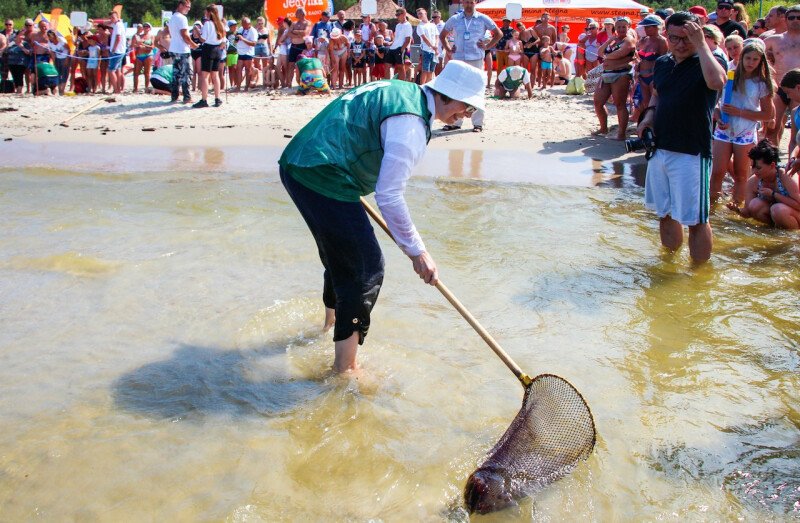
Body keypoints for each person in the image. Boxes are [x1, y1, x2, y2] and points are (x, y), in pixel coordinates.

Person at [278, 60, 485, 373]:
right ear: (446, 94)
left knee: (341, 258)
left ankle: (328, 328)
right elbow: (389, 195)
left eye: (470, 111)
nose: (465, 115)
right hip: (322, 174)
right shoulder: (412, 125)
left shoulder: (403, 91)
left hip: (299, 162)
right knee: (365, 269)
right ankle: (344, 370)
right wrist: (418, 252)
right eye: (465, 107)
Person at [638, 11, 727, 263]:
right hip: (660, 147)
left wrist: (700, 44)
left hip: (692, 151)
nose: (680, 44)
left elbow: (717, 82)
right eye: (675, 38)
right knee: (665, 213)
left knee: (696, 219)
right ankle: (668, 265)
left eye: (687, 38)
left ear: (698, 34)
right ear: (667, 35)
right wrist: (648, 116)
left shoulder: (709, 59)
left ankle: (699, 277)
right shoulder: (664, 62)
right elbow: (657, 93)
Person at [711, 42, 775, 203]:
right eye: (748, 58)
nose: (750, 62)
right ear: (741, 58)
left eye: (755, 59)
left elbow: (768, 114)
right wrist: (718, 118)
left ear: (761, 61)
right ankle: (711, 207)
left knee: (741, 174)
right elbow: (714, 104)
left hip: (745, 132)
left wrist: (739, 112)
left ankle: (737, 206)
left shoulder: (762, 84)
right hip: (724, 130)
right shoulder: (729, 76)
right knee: (717, 171)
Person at [439, 0, 501, 132]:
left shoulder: (483, 18)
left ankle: (478, 123)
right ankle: (455, 121)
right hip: (459, 59)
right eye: (466, 2)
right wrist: (449, 50)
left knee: (476, 90)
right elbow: (442, 35)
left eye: (471, 2)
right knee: (455, 90)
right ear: (462, 3)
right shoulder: (455, 19)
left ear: (475, 3)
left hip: (476, 58)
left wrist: (487, 47)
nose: (468, 5)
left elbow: (498, 34)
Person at [727, 139, 800, 228]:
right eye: (752, 167)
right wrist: (737, 210)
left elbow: (798, 205)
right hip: (778, 213)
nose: (754, 171)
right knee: (755, 205)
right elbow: (748, 212)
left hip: (794, 213)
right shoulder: (753, 181)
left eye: (758, 168)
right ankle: (773, 232)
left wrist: (773, 194)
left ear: (772, 165)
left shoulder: (786, 175)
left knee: (778, 210)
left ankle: (792, 236)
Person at [593, 17, 636, 140]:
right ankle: (603, 128)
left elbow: (619, 54)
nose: (621, 29)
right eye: (618, 27)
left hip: (621, 74)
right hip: (607, 72)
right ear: (614, 28)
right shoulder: (613, 40)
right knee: (598, 101)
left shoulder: (629, 40)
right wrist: (608, 41)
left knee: (619, 104)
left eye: (624, 26)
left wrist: (606, 57)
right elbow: (600, 52)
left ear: (628, 27)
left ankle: (621, 133)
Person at [765, 5, 800, 147]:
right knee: (771, 128)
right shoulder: (774, 40)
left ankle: (794, 162)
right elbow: (751, 51)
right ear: (785, 19)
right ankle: (772, 161)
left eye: (799, 17)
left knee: (797, 132)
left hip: (798, 90)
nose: (795, 20)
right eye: (791, 17)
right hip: (778, 88)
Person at [636, 16, 668, 118]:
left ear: (655, 27)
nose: (645, 29)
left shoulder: (662, 41)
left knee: (655, 102)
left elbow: (664, 60)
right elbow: (638, 56)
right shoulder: (644, 40)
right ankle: (646, 124)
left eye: (648, 27)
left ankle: (655, 125)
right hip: (642, 75)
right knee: (645, 102)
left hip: (653, 75)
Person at [194, 4, 225, 108]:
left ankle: (204, 99)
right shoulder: (220, 24)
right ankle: (217, 98)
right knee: (215, 76)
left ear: (209, 12)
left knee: (205, 76)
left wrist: (198, 32)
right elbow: (223, 41)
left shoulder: (208, 24)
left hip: (208, 49)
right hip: (218, 49)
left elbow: (203, 39)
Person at [166, 0, 197, 103]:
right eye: (187, 6)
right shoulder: (182, 18)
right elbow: (185, 35)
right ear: (180, 5)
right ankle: (187, 97)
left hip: (173, 48)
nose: (188, 9)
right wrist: (193, 45)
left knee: (176, 74)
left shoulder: (172, 17)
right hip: (182, 49)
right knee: (186, 74)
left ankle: (174, 96)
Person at [387, 8, 413, 81]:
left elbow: (408, 39)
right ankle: (387, 83)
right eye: (396, 15)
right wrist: (391, 43)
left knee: (401, 67)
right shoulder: (398, 25)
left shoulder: (408, 25)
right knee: (387, 65)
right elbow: (396, 38)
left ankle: (401, 83)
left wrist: (402, 49)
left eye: (398, 14)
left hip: (400, 48)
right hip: (393, 47)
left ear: (404, 14)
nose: (397, 16)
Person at [287, 8, 311, 83]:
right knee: (291, 65)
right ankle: (289, 83)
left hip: (302, 46)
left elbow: (305, 33)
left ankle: (302, 82)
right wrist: (298, 34)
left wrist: (295, 31)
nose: (295, 14)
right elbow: (288, 33)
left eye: (297, 13)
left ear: (302, 14)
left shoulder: (307, 23)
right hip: (294, 46)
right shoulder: (294, 23)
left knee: (302, 65)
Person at [105, 11, 126, 94]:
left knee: (111, 70)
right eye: (111, 17)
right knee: (117, 70)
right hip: (120, 50)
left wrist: (113, 49)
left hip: (117, 51)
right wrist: (111, 20)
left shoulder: (118, 25)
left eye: (113, 17)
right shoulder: (117, 24)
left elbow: (118, 38)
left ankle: (117, 89)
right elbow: (105, 23)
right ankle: (118, 89)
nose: (111, 19)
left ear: (117, 17)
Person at [416, 8, 438, 85]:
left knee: (431, 70)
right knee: (425, 70)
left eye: (421, 13)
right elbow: (424, 38)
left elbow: (436, 36)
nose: (420, 15)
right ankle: (422, 86)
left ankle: (428, 86)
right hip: (426, 50)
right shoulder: (420, 26)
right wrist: (432, 46)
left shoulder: (432, 24)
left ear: (425, 13)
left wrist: (436, 46)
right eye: (418, 14)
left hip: (434, 51)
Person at [235, 17, 257, 91]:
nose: (244, 26)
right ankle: (238, 87)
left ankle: (246, 87)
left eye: (245, 25)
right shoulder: (241, 29)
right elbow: (237, 39)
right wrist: (237, 38)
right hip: (240, 52)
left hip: (248, 53)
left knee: (248, 70)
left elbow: (254, 43)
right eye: (243, 24)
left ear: (249, 24)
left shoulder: (253, 31)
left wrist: (243, 39)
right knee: (238, 69)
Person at [132, 23, 155, 93]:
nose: (146, 28)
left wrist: (143, 45)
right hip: (139, 55)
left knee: (147, 73)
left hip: (148, 55)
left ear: (150, 28)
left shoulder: (151, 36)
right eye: (144, 26)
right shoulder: (139, 36)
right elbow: (133, 45)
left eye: (147, 27)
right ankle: (135, 88)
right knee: (136, 73)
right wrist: (138, 45)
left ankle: (146, 88)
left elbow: (152, 47)